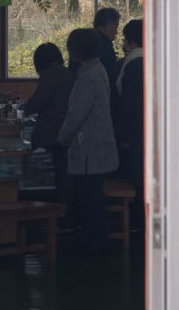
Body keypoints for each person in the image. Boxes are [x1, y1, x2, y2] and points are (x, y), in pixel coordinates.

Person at [58, 28, 119, 254]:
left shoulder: (88, 76)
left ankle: (96, 240)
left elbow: (77, 113)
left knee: (90, 195)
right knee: (94, 193)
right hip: (100, 142)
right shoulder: (98, 70)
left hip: (89, 145)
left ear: (75, 52)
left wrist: (63, 135)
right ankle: (97, 238)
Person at [23, 43, 77, 226]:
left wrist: (25, 108)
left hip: (56, 133)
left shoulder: (52, 74)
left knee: (61, 179)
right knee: (65, 177)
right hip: (67, 133)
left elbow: (38, 101)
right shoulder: (66, 73)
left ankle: (59, 219)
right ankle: (65, 218)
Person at [115, 19, 144, 232]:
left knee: (138, 180)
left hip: (138, 135)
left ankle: (137, 224)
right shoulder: (160, 59)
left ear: (130, 41)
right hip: (159, 133)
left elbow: (129, 106)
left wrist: (124, 135)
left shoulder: (132, 65)